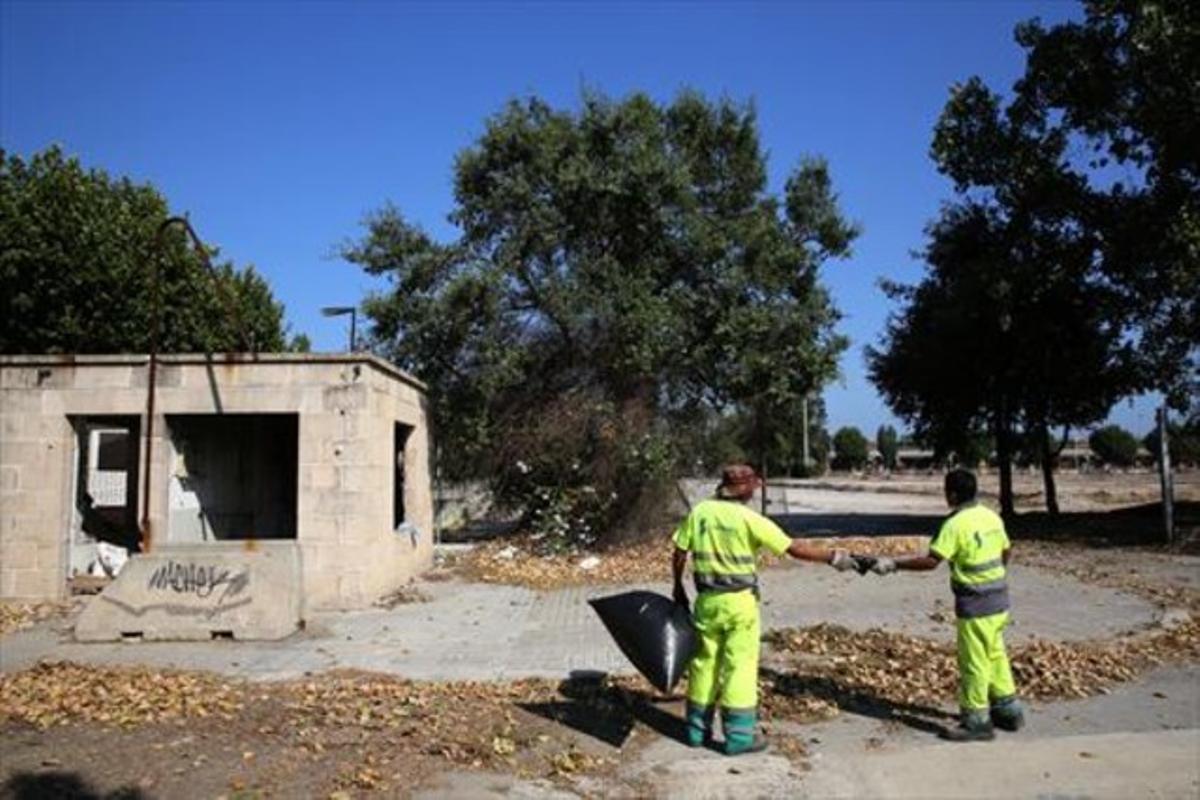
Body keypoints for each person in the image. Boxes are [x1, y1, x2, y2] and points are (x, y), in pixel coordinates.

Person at [672, 464, 858, 755]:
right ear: (745, 488)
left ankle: (696, 730)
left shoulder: (701, 513)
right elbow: (793, 549)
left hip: (706, 601)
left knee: (703, 664)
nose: (755, 492)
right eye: (753, 487)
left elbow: (680, 551)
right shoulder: (750, 519)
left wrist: (677, 588)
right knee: (739, 667)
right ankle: (739, 737)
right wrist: (834, 557)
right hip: (739, 603)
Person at [868, 468, 1024, 741]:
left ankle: (976, 720)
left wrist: (893, 564)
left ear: (951, 494)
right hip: (999, 597)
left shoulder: (954, 524)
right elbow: (1006, 550)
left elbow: (931, 561)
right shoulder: (991, 516)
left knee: (974, 661)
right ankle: (1008, 710)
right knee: (995, 654)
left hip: (975, 603)